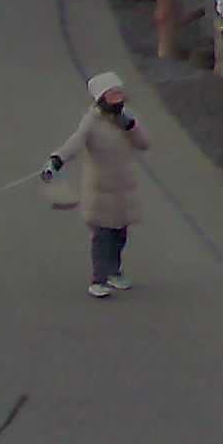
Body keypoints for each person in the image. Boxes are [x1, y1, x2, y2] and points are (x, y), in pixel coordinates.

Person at [44, 69, 152, 298]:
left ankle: (115, 272)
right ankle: (98, 279)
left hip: (123, 188)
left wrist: (131, 126)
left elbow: (144, 143)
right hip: (100, 189)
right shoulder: (91, 122)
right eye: (111, 96)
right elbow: (75, 142)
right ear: (101, 99)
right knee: (102, 236)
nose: (117, 100)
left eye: (119, 95)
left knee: (120, 235)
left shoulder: (128, 117)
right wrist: (57, 160)